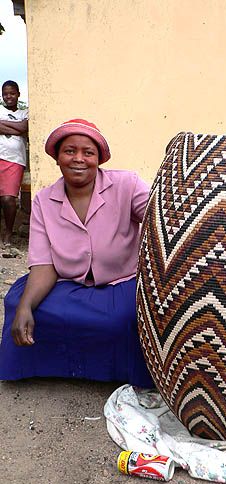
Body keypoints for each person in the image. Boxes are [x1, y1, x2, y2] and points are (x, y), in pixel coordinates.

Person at [0, 118, 154, 386]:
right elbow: (44, 263)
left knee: (124, 318)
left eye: (88, 152)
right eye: (69, 151)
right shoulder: (44, 200)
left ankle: (122, 371)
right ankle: (48, 367)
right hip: (67, 282)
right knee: (18, 305)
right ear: (57, 158)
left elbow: (160, 220)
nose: (78, 159)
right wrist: (26, 305)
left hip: (122, 281)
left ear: (99, 159)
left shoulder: (126, 185)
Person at [0, 80, 28, 246]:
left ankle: (8, 234)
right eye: (5, 93)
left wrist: (4, 125)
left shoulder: (25, 113)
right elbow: (22, 129)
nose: (8, 96)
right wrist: (18, 129)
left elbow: (26, 127)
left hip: (15, 160)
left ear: (18, 94)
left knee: (8, 199)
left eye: (12, 93)